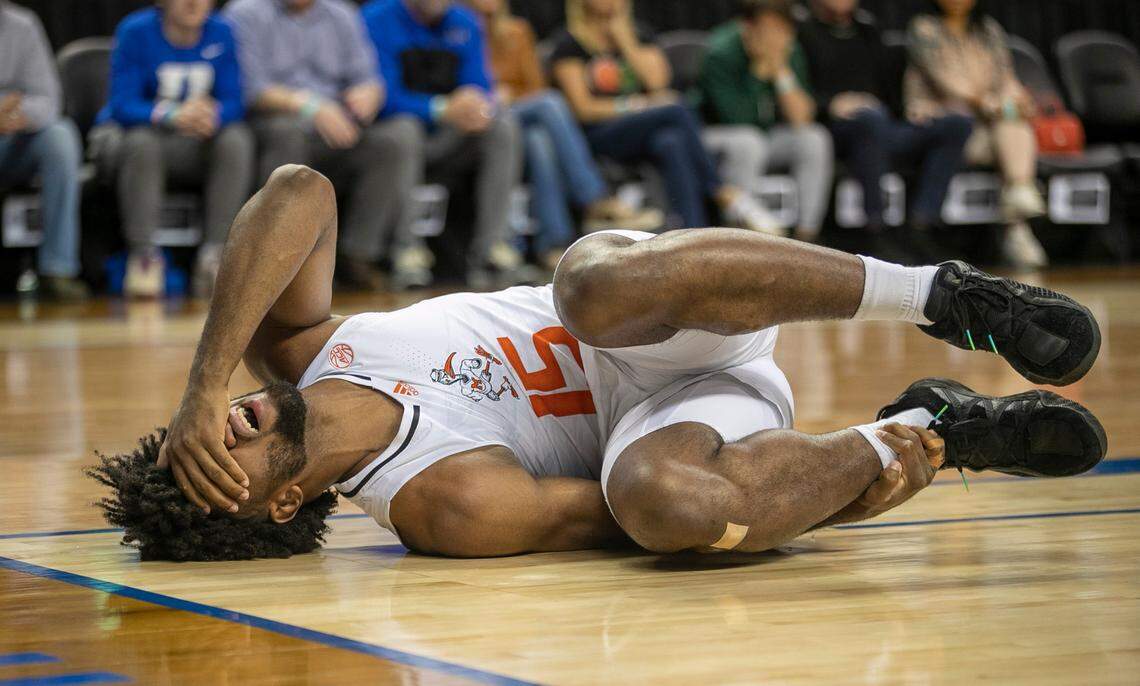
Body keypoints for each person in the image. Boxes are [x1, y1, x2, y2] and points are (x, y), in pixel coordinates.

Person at [88, 164, 1106, 561]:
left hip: (671, 303)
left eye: (201, 432)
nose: (222, 429)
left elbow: (299, 189)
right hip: (698, 408)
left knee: (593, 288)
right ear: (276, 506)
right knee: (664, 507)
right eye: (215, 457)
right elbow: (643, 518)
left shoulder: (301, 350)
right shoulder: (445, 506)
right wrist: (839, 472)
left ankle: (944, 296)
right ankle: (937, 427)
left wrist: (202, 379)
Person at [224, 0, 418, 291]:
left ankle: (359, 255)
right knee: (286, 133)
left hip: (337, 123)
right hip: (274, 120)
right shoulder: (244, 13)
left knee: (395, 138)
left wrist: (369, 94)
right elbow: (250, 88)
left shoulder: (343, 15)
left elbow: (369, 78)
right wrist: (309, 107)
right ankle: (280, 259)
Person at [549, 0, 779, 234]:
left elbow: (658, 83)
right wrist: (635, 105)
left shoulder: (640, 35)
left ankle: (692, 236)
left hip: (644, 129)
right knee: (676, 108)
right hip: (599, 134)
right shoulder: (570, 44)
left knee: (671, 141)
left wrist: (626, 42)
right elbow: (583, 109)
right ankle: (720, 190)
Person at [466, 0, 663, 271]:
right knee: (550, 103)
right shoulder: (458, 26)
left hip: (518, 116)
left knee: (539, 140)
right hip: (476, 117)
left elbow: (535, 85)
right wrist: (489, 94)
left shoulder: (517, 31)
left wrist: (510, 95)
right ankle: (594, 198)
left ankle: (554, 245)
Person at [362, 0, 530, 289]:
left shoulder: (464, 21)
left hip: (449, 135)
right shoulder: (376, 19)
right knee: (405, 130)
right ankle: (407, 252)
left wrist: (476, 107)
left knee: (502, 126)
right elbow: (380, 97)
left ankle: (494, 248)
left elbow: (479, 87)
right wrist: (441, 108)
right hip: (396, 136)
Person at [93, 0, 255, 299]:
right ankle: (144, 258)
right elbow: (122, 103)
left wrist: (212, 115)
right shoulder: (135, 31)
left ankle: (216, 256)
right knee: (142, 142)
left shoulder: (223, 31)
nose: (194, 3)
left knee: (236, 139)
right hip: (139, 141)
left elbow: (236, 100)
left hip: (196, 141)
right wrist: (172, 114)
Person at [799, 0, 973, 260]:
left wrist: (912, 109)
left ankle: (922, 225)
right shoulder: (803, 33)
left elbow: (889, 88)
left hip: (883, 123)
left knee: (956, 123)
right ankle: (876, 229)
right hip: (836, 128)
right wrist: (830, 104)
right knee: (870, 118)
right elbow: (798, 91)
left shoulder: (869, 30)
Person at [905, 0, 1048, 267]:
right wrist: (991, 103)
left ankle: (1018, 200)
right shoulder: (924, 29)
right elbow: (946, 81)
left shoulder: (988, 30)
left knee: (1014, 122)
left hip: (989, 123)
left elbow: (1006, 76)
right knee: (1007, 126)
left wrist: (1018, 101)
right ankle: (1017, 219)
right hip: (945, 125)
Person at [698, 0, 834, 243]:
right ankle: (738, 240)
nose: (775, 37)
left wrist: (781, 71)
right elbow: (736, 118)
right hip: (714, 137)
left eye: (782, 30)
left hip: (765, 136)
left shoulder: (788, 51)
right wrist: (757, 73)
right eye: (768, 29)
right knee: (749, 142)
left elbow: (802, 118)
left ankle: (808, 238)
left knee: (814, 138)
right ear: (747, 27)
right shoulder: (722, 51)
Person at [0, 0, 87, 301]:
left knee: (60, 136)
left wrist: (16, 113)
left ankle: (57, 269)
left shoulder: (22, 25)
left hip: (12, 139)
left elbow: (48, 100)